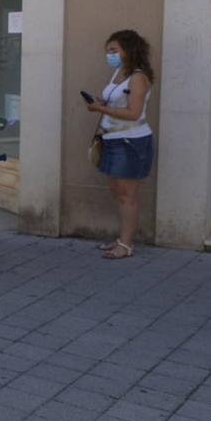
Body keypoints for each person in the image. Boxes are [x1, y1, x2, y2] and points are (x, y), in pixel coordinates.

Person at [87, 29, 155, 260]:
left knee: (127, 195)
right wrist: (101, 102)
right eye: (108, 51)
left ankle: (126, 245)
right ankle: (121, 238)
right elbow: (116, 100)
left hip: (131, 141)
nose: (110, 55)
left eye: (114, 50)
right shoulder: (118, 73)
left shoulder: (138, 77)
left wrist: (101, 109)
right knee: (117, 192)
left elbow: (133, 112)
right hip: (112, 139)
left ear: (129, 50)